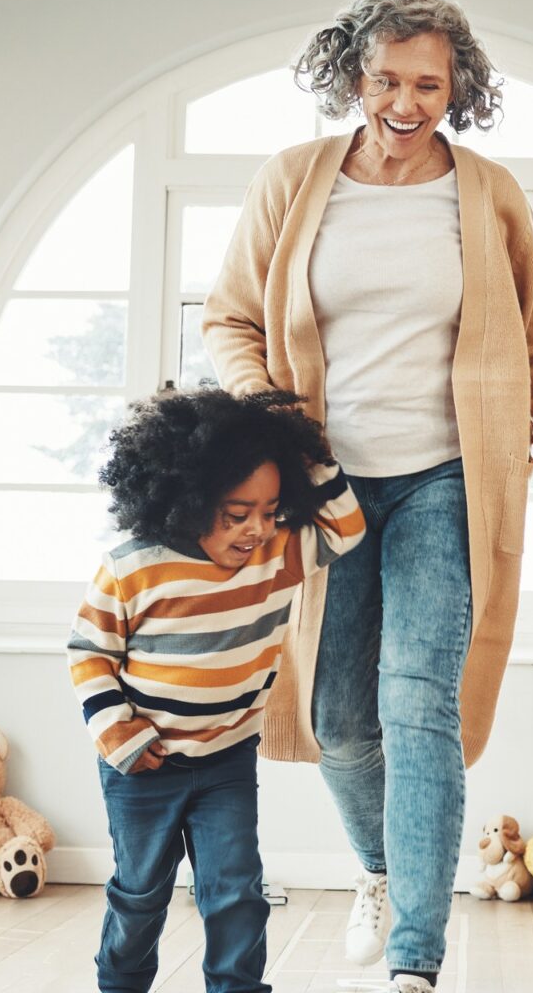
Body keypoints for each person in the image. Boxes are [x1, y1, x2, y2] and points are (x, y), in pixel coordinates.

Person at [202, 0, 533, 993]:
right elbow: (229, 323)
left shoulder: (486, 192)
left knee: (418, 701)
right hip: (326, 486)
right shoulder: (295, 182)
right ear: (353, 74)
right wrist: (274, 418)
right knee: (340, 716)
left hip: (448, 478)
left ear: (457, 87)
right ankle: (382, 872)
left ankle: (417, 960)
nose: (405, 99)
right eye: (386, 77)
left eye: (428, 82)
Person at [68, 388, 365, 993]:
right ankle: (119, 985)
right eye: (237, 512)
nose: (257, 527)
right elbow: (91, 652)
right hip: (142, 768)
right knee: (140, 892)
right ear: (188, 497)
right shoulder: (133, 567)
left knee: (236, 893)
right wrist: (114, 730)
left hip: (226, 759)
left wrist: (299, 447)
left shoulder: (278, 555)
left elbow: (347, 526)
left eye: (271, 508)